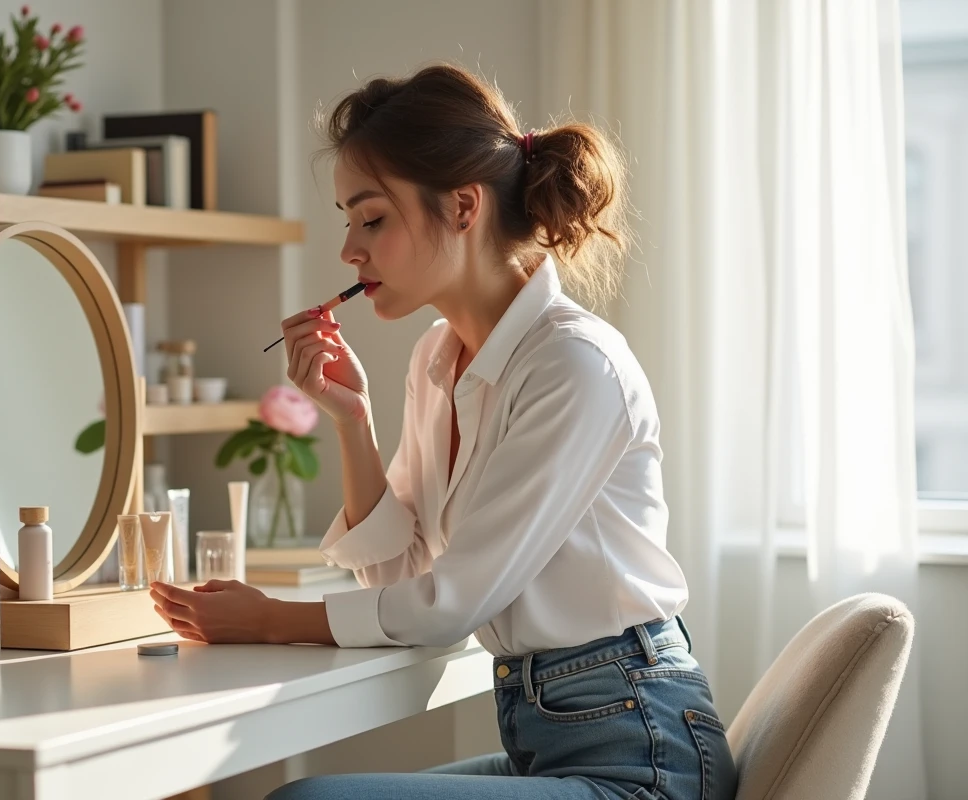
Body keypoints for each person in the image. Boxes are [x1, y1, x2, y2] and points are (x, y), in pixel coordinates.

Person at [149, 63, 738, 800]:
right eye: (347, 221)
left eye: (372, 219)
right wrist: (352, 422)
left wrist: (270, 619)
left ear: (463, 207)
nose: (349, 252)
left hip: (641, 757)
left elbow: (449, 606)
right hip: (552, 744)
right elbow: (403, 580)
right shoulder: (437, 358)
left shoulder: (573, 366)